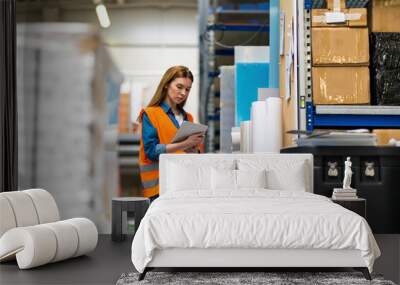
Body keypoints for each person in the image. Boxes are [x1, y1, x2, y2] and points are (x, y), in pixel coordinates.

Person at [138, 66, 204, 202]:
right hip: (159, 187)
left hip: (184, 184)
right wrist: (184, 144)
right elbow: (151, 151)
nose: (183, 93)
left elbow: (190, 155)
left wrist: (193, 149)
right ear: (167, 85)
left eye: (187, 89)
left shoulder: (188, 118)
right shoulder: (150, 114)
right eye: (179, 87)